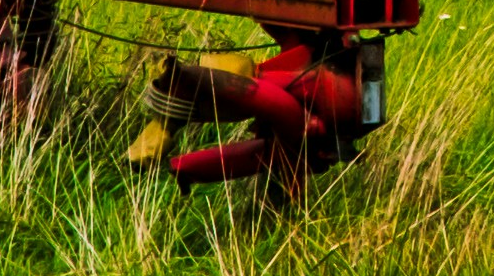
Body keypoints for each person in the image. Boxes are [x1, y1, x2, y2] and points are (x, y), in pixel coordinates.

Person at [127, 35, 375, 188]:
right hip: (302, 103)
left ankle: (178, 167)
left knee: (281, 114)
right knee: (268, 96)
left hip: (312, 105)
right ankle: (175, 164)